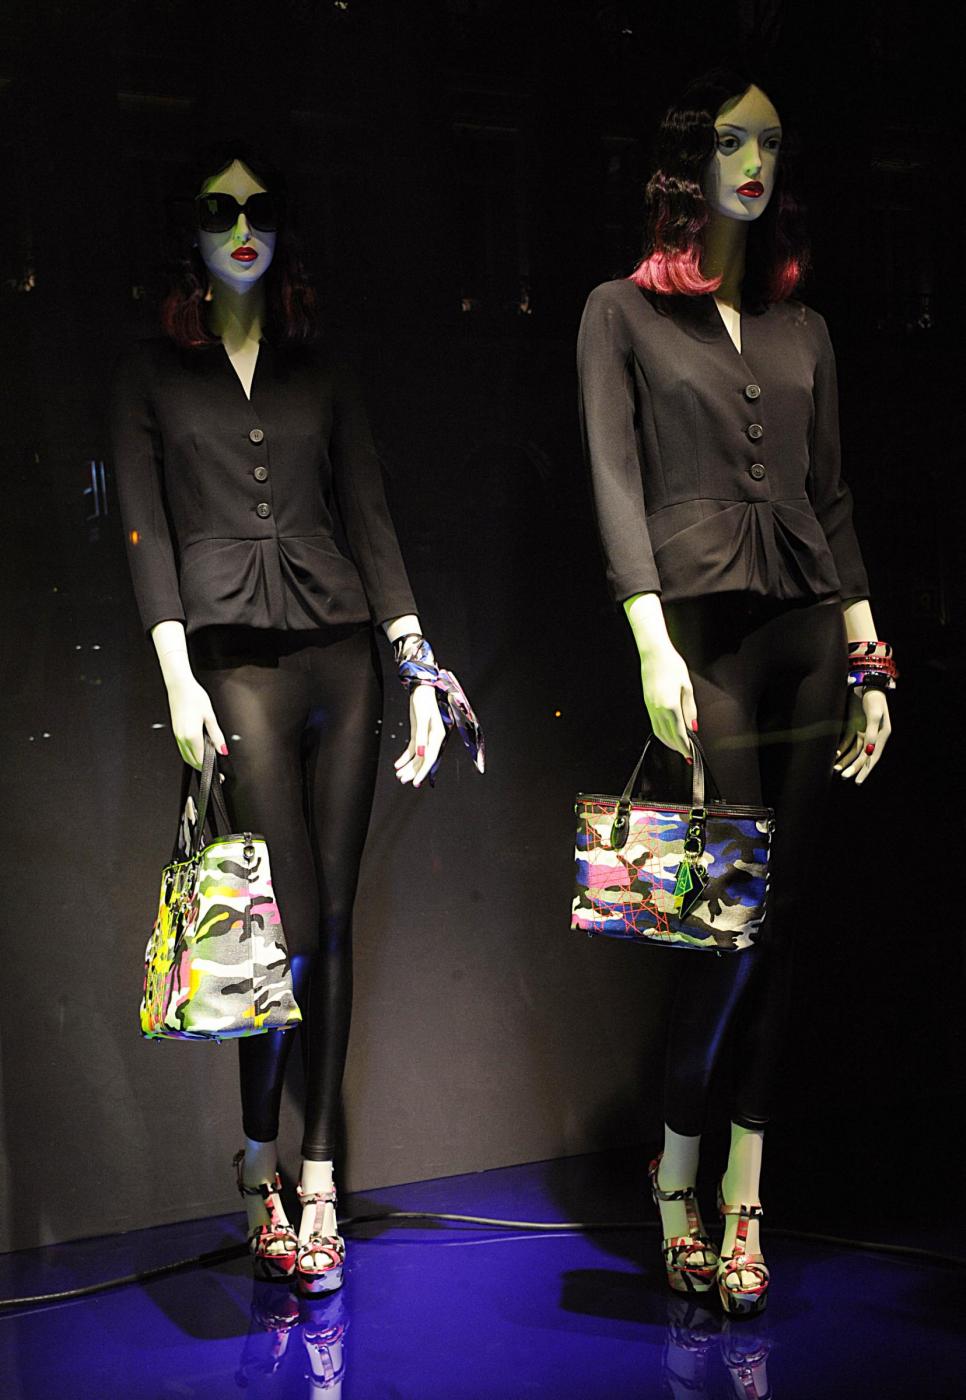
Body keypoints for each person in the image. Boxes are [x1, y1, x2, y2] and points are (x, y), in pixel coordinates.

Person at [111, 144, 481, 1295]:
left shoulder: (323, 368)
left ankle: (318, 1174)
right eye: (219, 210)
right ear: (189, 228)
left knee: (333, 914)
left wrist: (417, 665)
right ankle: (256, 1159)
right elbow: (144, 533)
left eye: (260, 209)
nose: (242, 228)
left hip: (341, 653)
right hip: (235, 664)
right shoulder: (151, 375)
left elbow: (370, 514)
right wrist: (177, 677)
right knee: (279, 925)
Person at [577, 71, 893, 1316]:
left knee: (787, 923)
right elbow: (614, 482)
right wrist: (648, 643)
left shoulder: (803, 328)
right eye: (729, 141)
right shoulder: (620, 312)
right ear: (684, 160)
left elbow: (833, 498)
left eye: (768, 142)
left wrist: (869, 658)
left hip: (807, 632)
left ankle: (746, 1192)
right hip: (701, 640)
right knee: (725, 924)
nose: (752, 161)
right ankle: (675, 1174)